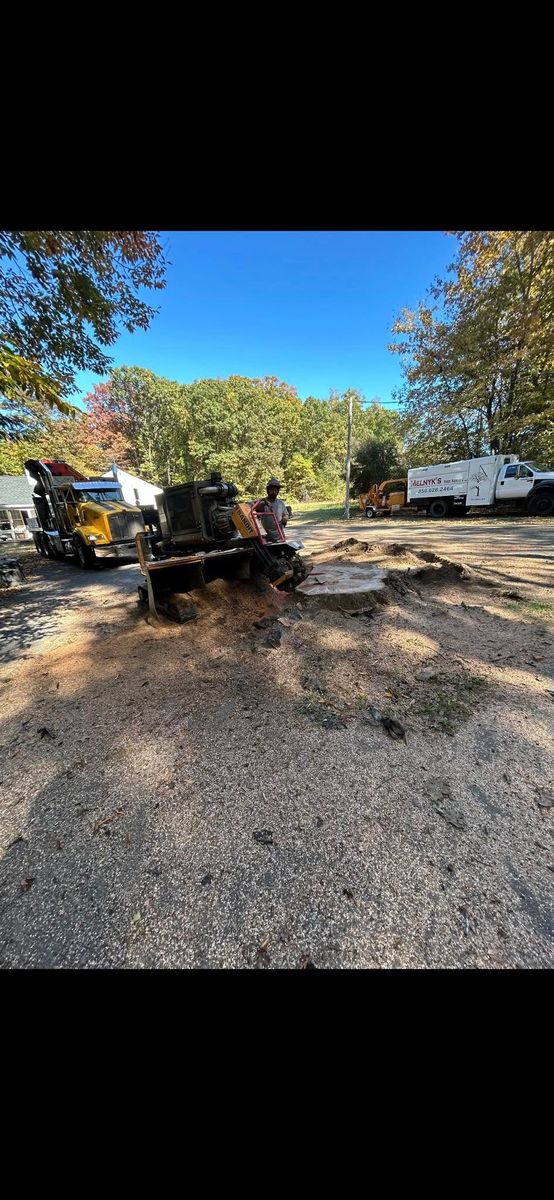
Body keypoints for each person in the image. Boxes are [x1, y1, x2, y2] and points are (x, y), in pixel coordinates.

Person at [256, 477, 289, 541]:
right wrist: (261, 504)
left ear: (278, 491)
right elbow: (255, 510)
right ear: (268, 490)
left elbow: (286, 513)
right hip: (267, 535)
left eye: (276, 490)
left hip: (279, 534)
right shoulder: (263, 502)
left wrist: (285, 518)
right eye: (272, 490)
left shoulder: (280, 503)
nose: (274, 492)